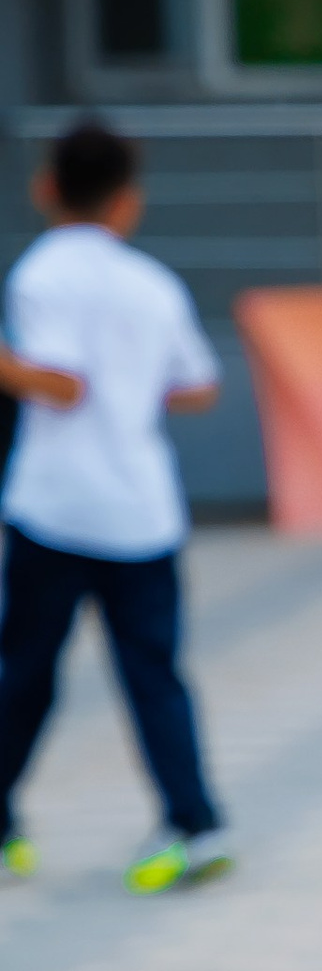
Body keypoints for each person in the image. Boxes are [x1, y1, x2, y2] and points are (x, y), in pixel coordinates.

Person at [0, 119, 229, 895]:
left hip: (57, 507)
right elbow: (199, 387)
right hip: (141, 511)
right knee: (155, 673)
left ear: (46, 189)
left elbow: (62, 382)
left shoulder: (42, 275)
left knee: (27, 669)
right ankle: (195, 823)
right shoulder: (153, 284)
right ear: (128, 202)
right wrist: (139, 380)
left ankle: (1, 821)